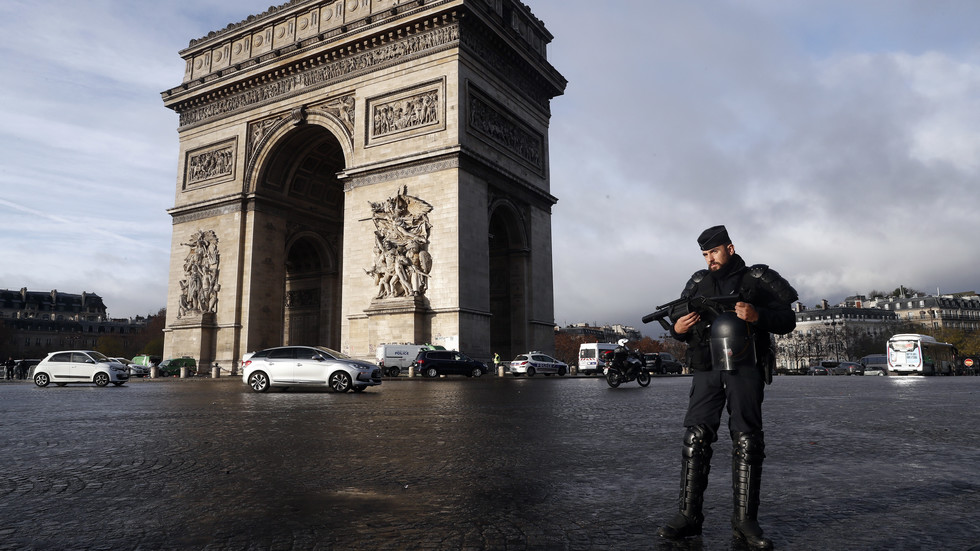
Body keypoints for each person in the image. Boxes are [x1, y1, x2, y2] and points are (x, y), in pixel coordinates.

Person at [657, 225, 798, 549]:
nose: (710, 259)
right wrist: (678, 329)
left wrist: (756, 314)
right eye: (705, 255)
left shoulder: (757, 279)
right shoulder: (698, 283)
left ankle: (745, 521)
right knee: (696, 438)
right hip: (707, 368)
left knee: (747, 439)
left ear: (730, 249)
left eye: (714, 252)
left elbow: (787, 320)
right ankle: (688, 516)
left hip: (745, 366)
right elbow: (681, 324)